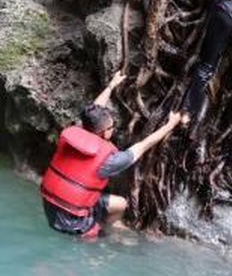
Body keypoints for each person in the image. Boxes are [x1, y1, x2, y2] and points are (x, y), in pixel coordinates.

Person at [40, 70, 181, 237]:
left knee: (120, 204)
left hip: (51, 208)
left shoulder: (74, 133)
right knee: (96, 240)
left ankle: (112, 225)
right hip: (74, 222)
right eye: (111, 127)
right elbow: (144, 145)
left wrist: (111, 86)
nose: (113, 129)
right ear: (103, 132)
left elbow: (94, 112)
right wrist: (170, 125)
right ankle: (100, 234)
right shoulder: (108, 161)